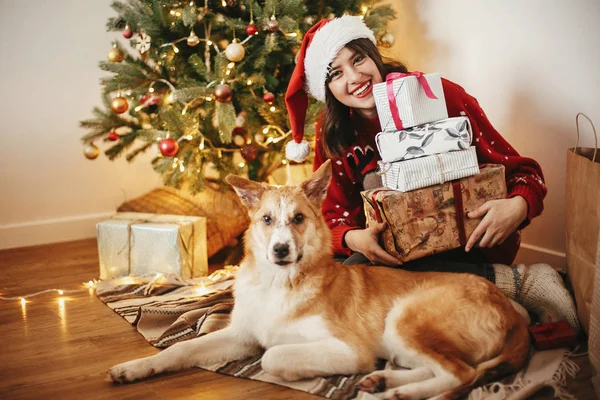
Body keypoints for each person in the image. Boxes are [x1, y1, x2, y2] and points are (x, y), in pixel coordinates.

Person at [284, 15, 579, 330]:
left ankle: (521, 283)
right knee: (341, 287)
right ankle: (496, 301)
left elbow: (524, 173)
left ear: (374, 55)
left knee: (362, 288)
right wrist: (354, 238)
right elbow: (329, 216)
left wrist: (517, 206)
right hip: (385, 255)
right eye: (336, 73)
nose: (355, 76)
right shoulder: (333, 132)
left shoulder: (437, 94)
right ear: (326, 87)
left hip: (468, 247)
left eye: (359, 58)